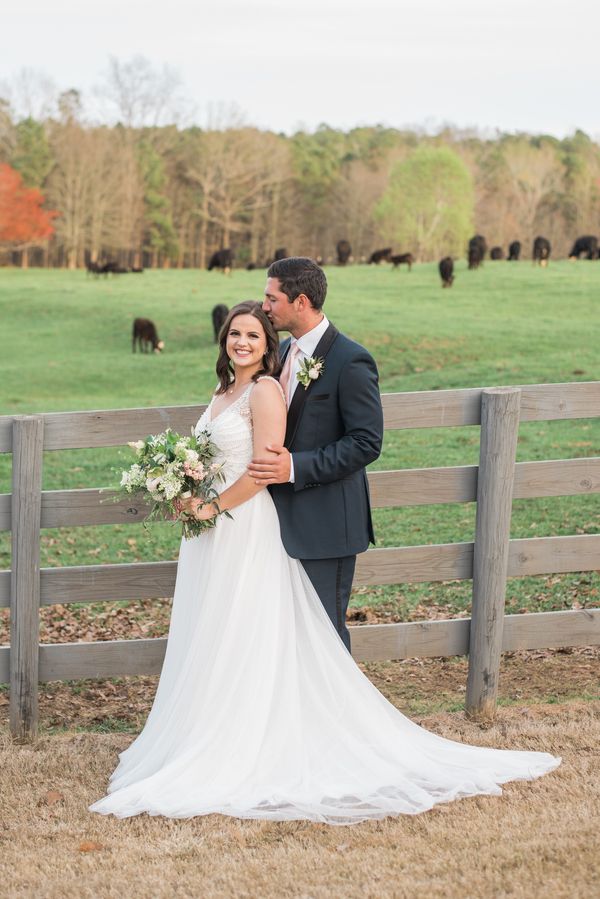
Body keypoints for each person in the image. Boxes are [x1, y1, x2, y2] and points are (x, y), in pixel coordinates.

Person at [89, 300, 560, 824]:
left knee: (247, 629)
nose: (242, 342)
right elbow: (215, 459)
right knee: (214, 630)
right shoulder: (224, 391)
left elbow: (266, 468)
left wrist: (210, 505)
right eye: (234, 334)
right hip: (209, 531)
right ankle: (202, 731)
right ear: (223, 340)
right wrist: (183, 489)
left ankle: (247, 745)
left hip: (242, 524)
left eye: (253, 334)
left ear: (269, 344)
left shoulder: (266, 391)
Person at [248, 257, 383, 652]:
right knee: (284, 635)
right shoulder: (282, 353)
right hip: (277, 524)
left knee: (323, 637)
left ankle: (335, 715)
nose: (265, 307)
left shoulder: (350, 360)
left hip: (327, 527)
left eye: (271, 299)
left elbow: (365, 442)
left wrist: (294, 466)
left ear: (300, 301)